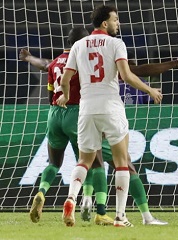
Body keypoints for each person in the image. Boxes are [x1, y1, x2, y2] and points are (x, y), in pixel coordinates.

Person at [20, 36, 178, 226]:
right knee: (115, 164)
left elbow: (45, 65)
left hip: (64, 113)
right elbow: (138, 70)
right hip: (95, 111)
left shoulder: (67, 61)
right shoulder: (103, 59)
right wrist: (174, 63)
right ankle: (109, 211)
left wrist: (28, 58)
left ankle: (66, 197)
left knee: (74, 161)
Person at [57, 5, 163, 227]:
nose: (118, 24)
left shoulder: (77, 45)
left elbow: (65, 80)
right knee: (121, 161)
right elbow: (126, 75)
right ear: (105, 23)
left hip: (86, 108)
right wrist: (149, 90)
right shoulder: (116, 44)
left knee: (84, 160)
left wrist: (66, 97)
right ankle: (120, 216)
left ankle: (71, 198)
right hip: (110, 106)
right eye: (116, 20)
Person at [18, 27, 113, 225]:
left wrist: (28, 58)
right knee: (93, 162)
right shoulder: (83, 61)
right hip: (77, 113)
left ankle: (42, 192)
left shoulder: (56, 62)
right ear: (82, 42)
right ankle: (99, 209)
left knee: (54, 163)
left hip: (54, 113)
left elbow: (44, 67)